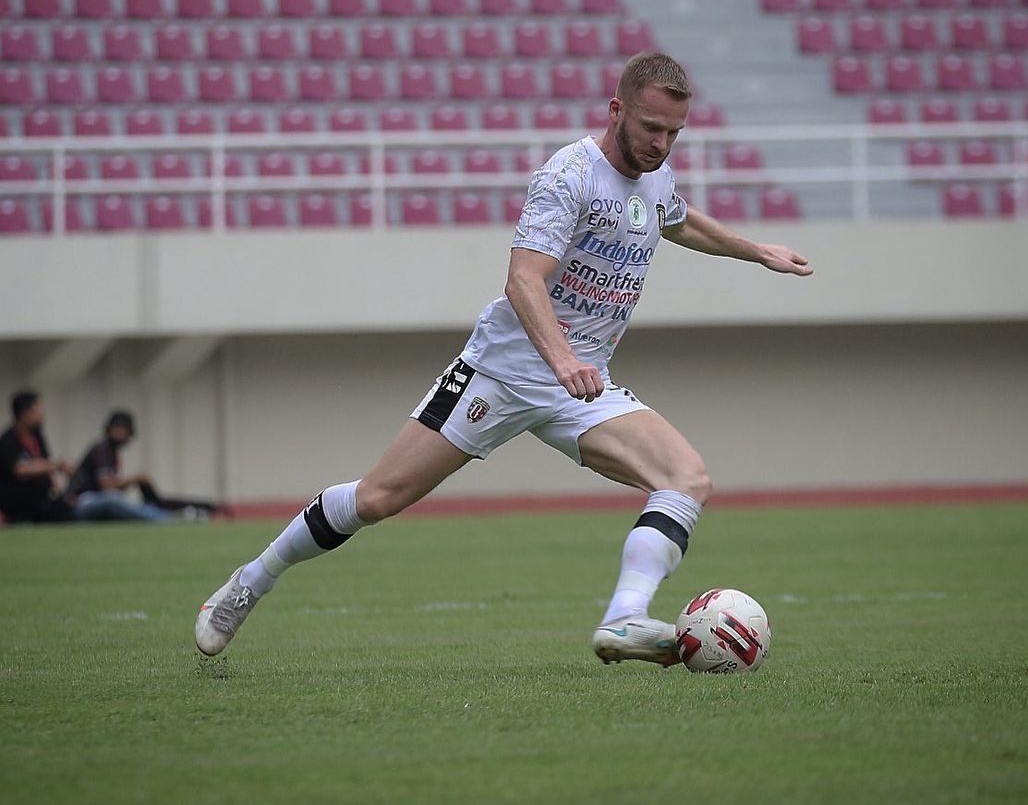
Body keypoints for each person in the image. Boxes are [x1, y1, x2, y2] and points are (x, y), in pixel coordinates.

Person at [195, 52, 813, 664]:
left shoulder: (655, 177)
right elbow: (524, 280)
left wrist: (755, 250)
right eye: (652, 128)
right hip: (504, 370)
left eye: (674, 132)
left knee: (686, 479)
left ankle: (624, 617)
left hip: (583, 387)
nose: (662, 144)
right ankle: (252, 580)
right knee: (376, 499)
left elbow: (677, 221)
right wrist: (564, 359)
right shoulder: (568, 175)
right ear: (617, 109)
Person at [68, 410, 227, 522]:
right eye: (120, 430)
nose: (123, 435)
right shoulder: (101, 449)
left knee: (129, 503)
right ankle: (167, 520)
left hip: (96, 500)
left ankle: (174, 514)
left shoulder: (111, 452)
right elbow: (107, 486)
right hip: (81, 502)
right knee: (114, 500)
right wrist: (135, 478)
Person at [0, 391, 74, 524]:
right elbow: (19, 469)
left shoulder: (37, 437)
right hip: (17, 504)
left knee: (67, 511)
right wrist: (56, 465)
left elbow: (46, 463)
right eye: (38, 409)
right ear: (25, 413)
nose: (42, 414)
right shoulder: (8, 440)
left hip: (42, 501)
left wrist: (58, 486)